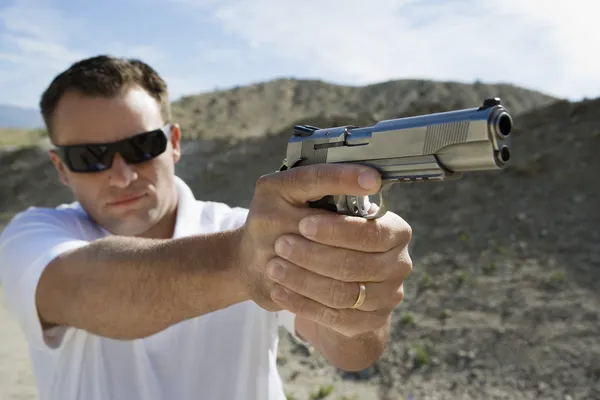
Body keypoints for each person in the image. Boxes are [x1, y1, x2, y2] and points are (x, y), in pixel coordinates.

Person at [0, 55, 413, 400]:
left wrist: (359, 297)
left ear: (174, 142)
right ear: (59, 167)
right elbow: (86, 290)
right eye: (89, 157)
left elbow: (351, 352)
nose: (121, 175)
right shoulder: (31, 237)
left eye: (141, 147)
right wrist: (248, 259)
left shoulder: (245, 229)